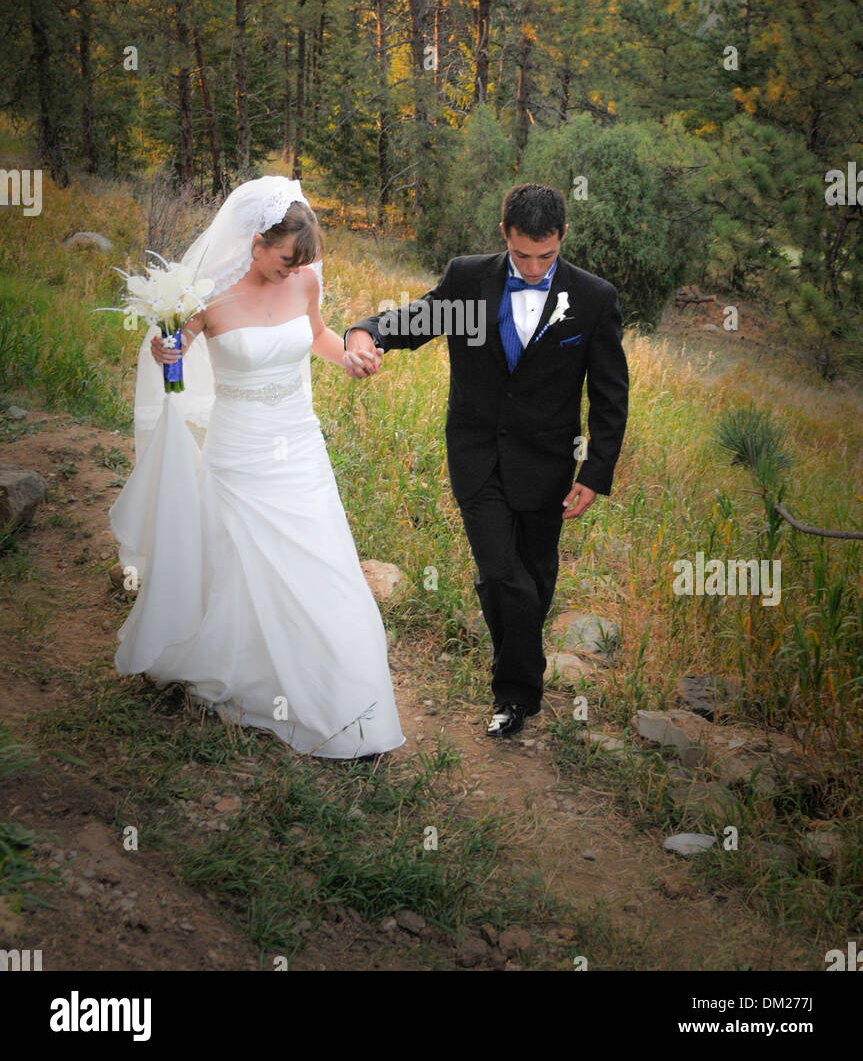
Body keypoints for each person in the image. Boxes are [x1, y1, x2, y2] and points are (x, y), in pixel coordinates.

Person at [109, 176, 405, 760]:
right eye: (283, 262)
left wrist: (346, 358)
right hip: (239, 448)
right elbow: (172, 348)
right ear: (255, 243)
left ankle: (343, 689)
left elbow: (316, 334)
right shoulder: (208, 297)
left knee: (319, 556)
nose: (291, 274)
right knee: (243, 562)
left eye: (300, 265)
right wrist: (163, 349)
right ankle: (247, 670)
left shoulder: (306, 280)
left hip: (298, 442)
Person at [345, 183, 629, 739]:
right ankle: (517, 694)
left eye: (545, 256)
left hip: (548, 466)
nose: (532, 267)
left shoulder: (594, 298)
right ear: (505, 235)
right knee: (501, 569)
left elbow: (610, 395)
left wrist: (595, 471)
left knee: (534, 579)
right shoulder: (470, 278)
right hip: (476, 454)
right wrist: (367, 331)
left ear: (562, 239)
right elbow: (417, 321)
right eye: (522, 254)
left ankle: (516, 676)